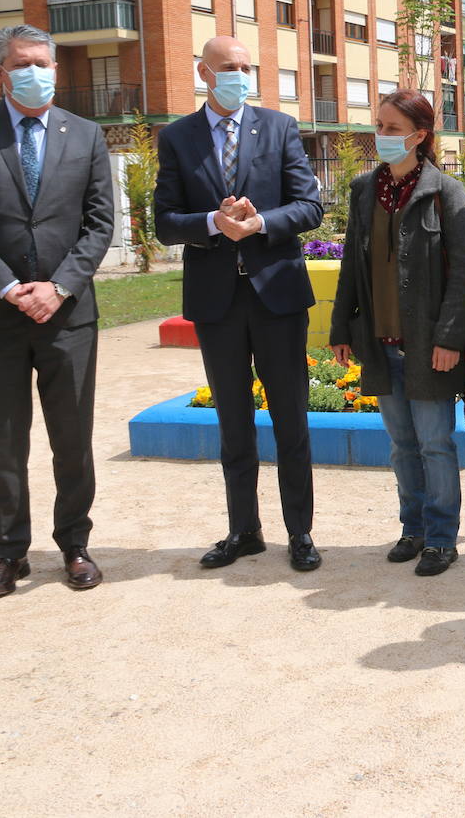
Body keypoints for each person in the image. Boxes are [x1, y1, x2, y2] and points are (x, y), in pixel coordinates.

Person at [0, 24, 114, 600]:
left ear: (55, 69)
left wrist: (57, 288)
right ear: (1, 72)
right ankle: (10, 553)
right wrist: (11, 288)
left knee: (72, 436)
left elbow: (99, 223)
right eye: (22, 63)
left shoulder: (85, 135)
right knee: (4, 439)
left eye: (44, 63)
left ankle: (75, 545)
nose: (35, 72)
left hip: (68, 315)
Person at [155, 36, 324, 573]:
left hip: (277, 295)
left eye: (247, 67)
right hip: (217, 302)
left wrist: (261, 223)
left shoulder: (279, 128)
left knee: (291, 419)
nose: (240, 74)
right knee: (233, 421)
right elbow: (164, 220)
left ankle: (300, 531)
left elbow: (310, 206)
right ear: (205, 72)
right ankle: (244, 529)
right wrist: (212, 223)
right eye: (230, 67)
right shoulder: (178, 138)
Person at [329, 90, 465, 577]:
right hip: (378, 341)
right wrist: (340, 328)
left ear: (420, 135)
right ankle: (412, 529)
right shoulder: (362, 189)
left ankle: (440, 538)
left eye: (392, 128)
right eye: (379, 125)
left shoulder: (445, 191)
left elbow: (463, 273)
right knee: (401, 445)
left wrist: (449, 339)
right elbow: (352, 262)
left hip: (428, 345)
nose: (382, 136)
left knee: (436, 443)